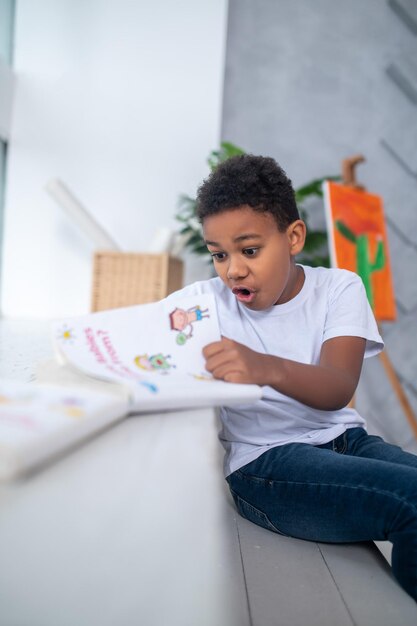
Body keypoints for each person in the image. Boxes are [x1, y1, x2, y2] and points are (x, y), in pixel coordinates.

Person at [168, 154, 417, 601]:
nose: (233, 270)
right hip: (265, 466)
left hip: (346, 441)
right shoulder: (202, 305)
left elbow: (338, 388)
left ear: (293, 237)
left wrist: (266, 368)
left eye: (249, 250)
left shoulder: (340, 288)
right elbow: (139, 347)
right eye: (219, 254)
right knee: (412, 501)